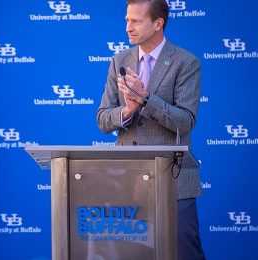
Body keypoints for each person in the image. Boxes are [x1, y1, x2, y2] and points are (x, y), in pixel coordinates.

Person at [96, 0, 205, 259]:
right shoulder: (119, 61)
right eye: (126, 20)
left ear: (158, 24)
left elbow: (185, 122)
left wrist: (145, 99)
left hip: (173, 181)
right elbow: (102, 119)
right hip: (127, 182)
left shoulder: (186, 62)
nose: (128, 28)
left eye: (136, 21)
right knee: (132, 254)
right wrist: (128, 110)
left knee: (184, 253)